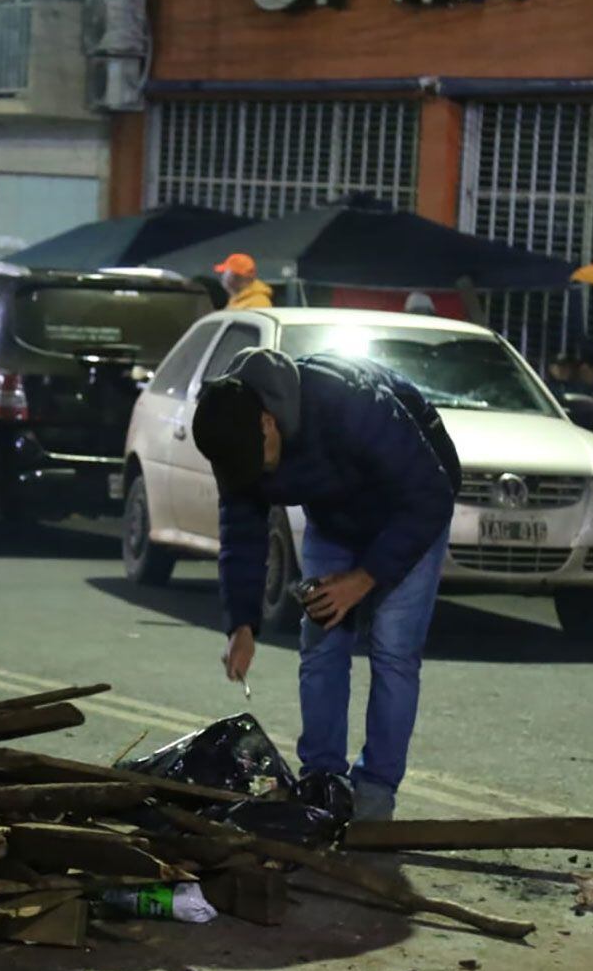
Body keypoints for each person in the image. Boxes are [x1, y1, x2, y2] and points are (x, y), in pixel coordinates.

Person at [193, 347, 460, 822]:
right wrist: (242, 624)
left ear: (269, 423)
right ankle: (323, 781)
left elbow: (430, 496)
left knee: (393, 651)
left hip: (412, 508)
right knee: (321, 644)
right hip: (335, 518)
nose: (257, 477)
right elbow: (242, 531)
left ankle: (375, 793)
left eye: (261, 463)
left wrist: (363, 580)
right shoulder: (233, 433)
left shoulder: (348, 406)